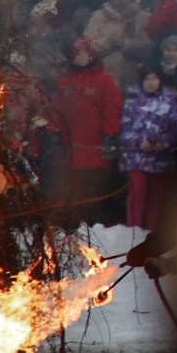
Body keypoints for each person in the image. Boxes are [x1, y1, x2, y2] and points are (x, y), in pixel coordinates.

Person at [46, 36, 123, 224]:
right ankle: (75, 222)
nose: (80, 57)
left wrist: (110, 134)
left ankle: (95, 225)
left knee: (94, 187)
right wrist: (55, 131)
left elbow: (112, 109)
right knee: (74, 187)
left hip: (96, 147)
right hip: (73, 148)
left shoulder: (104, 80)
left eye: (84, 53)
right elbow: (57, 110)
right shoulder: (65, 82)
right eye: (77, 53)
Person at [118, 64, 177, 230]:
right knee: (138, 191)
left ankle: (150, 231)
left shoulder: (169, 102)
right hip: (136, 158)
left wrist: (163, 142)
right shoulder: (131, 103)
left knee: (156, 196)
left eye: (154, 78)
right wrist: (141, 142)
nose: (151, 82)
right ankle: (133, 230)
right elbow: (124, 130)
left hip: (160, 157)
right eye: (147, 79)